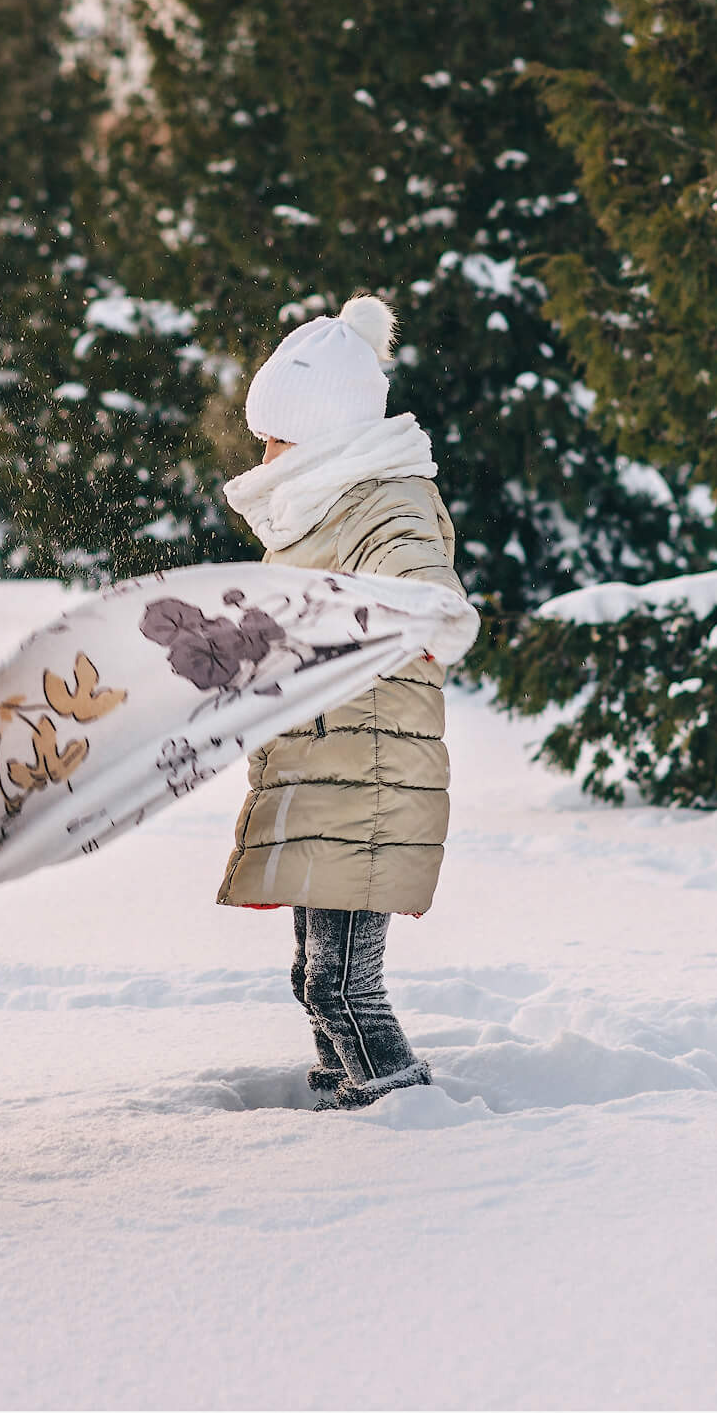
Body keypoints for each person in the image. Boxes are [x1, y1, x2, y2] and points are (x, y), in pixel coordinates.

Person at [218, 294, 465, 1110]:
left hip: (369, 777)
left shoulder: (383, 503)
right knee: (313, 981)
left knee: (343, 989)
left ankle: (406, 1112)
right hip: (328, 773)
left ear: (324, 431)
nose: (264, 450)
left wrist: (427, 611)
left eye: (277, 433)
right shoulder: (318, 511)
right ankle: (346, 1106)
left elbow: (420, 577)